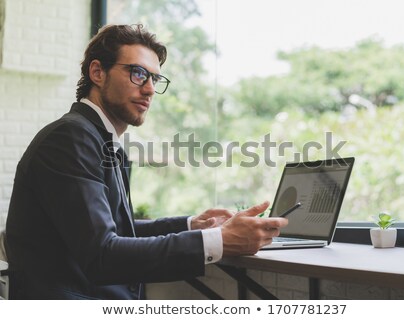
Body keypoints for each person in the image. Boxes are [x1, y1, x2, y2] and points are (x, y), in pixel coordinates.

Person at [5, 24, 288, 300]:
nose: (150, 89)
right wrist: (219, 241)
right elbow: (103, 255)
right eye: (138, 74)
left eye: (155, 79)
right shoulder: (70, 138)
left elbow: (113, 228)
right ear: (97, 72)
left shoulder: (100, 141)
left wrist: (192, 225)